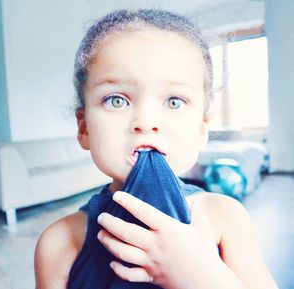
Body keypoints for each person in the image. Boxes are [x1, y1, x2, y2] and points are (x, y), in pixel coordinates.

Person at [34, 9, 279, 289]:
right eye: (116, 100)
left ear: (202, 130)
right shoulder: (60, 243)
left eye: (174, 101)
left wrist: (199, 273)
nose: (146, 123)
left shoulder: (226, 220)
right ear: (85, 128)